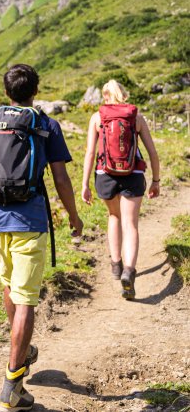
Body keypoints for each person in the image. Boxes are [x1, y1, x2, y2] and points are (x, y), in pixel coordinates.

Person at [0, 63, 83, 411]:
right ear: (35, 91)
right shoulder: (46, 124)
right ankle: (12, 385)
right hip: (30, 219)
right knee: (27, 300)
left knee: (10, 286)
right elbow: (61, 179)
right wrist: (74, 217)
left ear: (6, 92)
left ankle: (22, 350)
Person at [82, 79, 160, 300]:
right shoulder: (136, 118)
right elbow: (152, 153)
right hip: (133, 174)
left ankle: (116, 264)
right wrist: (156, 180)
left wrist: (85, 184)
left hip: (104, 175)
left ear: (105, 96)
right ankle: (129, 270)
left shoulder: (97, 118)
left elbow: (89, 153)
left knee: (114, 216)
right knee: (131, 224)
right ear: (124, 95)